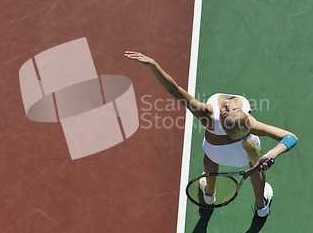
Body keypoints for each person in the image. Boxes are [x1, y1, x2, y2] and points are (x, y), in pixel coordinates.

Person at [125, 51, 298, 217]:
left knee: (209, 158)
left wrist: (154, 65)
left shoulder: (207, 115)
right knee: (256, 168)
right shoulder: (249, 123)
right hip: (245, 155)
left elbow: (175, 90)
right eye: (230, 109)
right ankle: (261, 207)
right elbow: (290, 138)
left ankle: (209, 193)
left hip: (216, 155)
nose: (229, 105)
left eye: (228, 110)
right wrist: (269, 155)